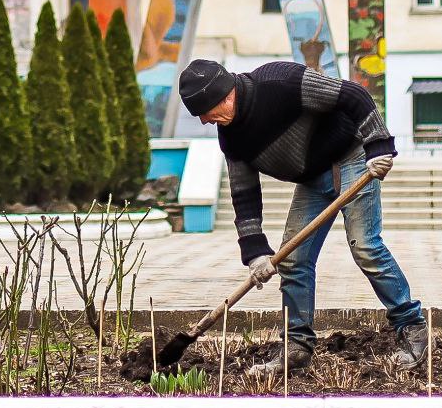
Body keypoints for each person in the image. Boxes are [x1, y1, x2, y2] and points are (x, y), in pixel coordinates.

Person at [177, 58, 427, 374]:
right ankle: (297, 347)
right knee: (293, 261)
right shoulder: (231, 136)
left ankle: (412, 328)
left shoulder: (282, 82)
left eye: (205, 112)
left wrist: (378, 146)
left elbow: (353, 94)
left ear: (223, 95)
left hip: (352, 157)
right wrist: (255, 253)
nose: (204, 122)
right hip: (313, 177)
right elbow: (244, 195)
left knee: (365, 246)